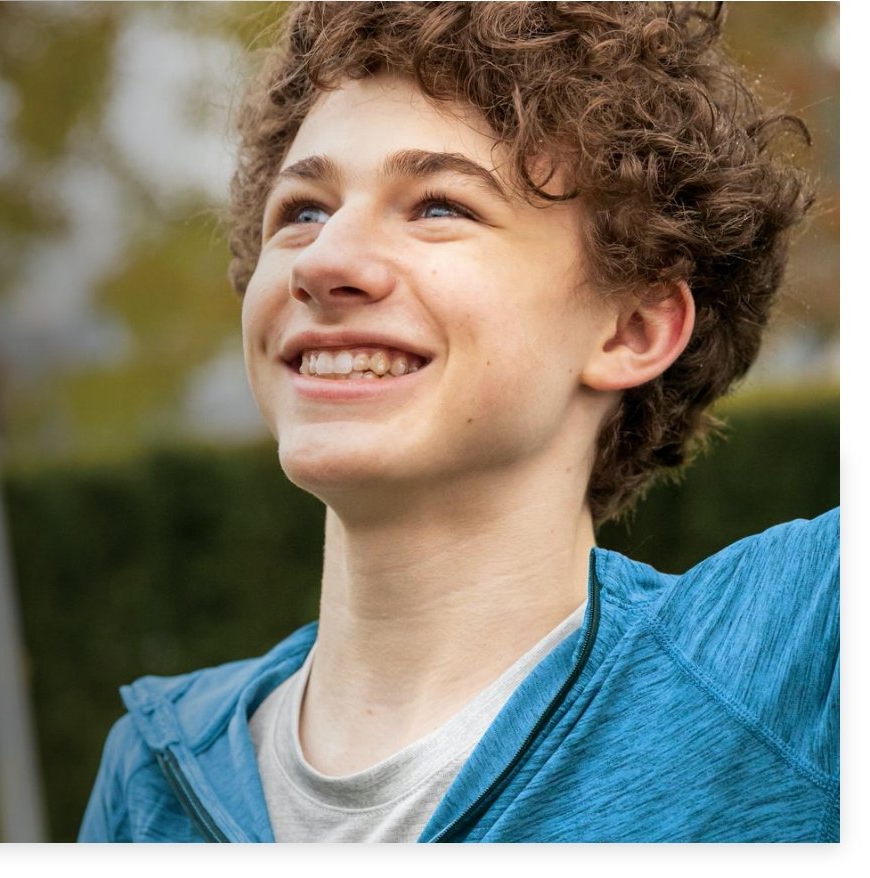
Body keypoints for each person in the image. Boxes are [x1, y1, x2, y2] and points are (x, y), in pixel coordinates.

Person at [79, 1, 838, 843]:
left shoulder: (794, 658)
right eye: (302, 210)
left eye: (439, 206)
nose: (324, 261)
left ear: (633, 329)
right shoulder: (152, 777)